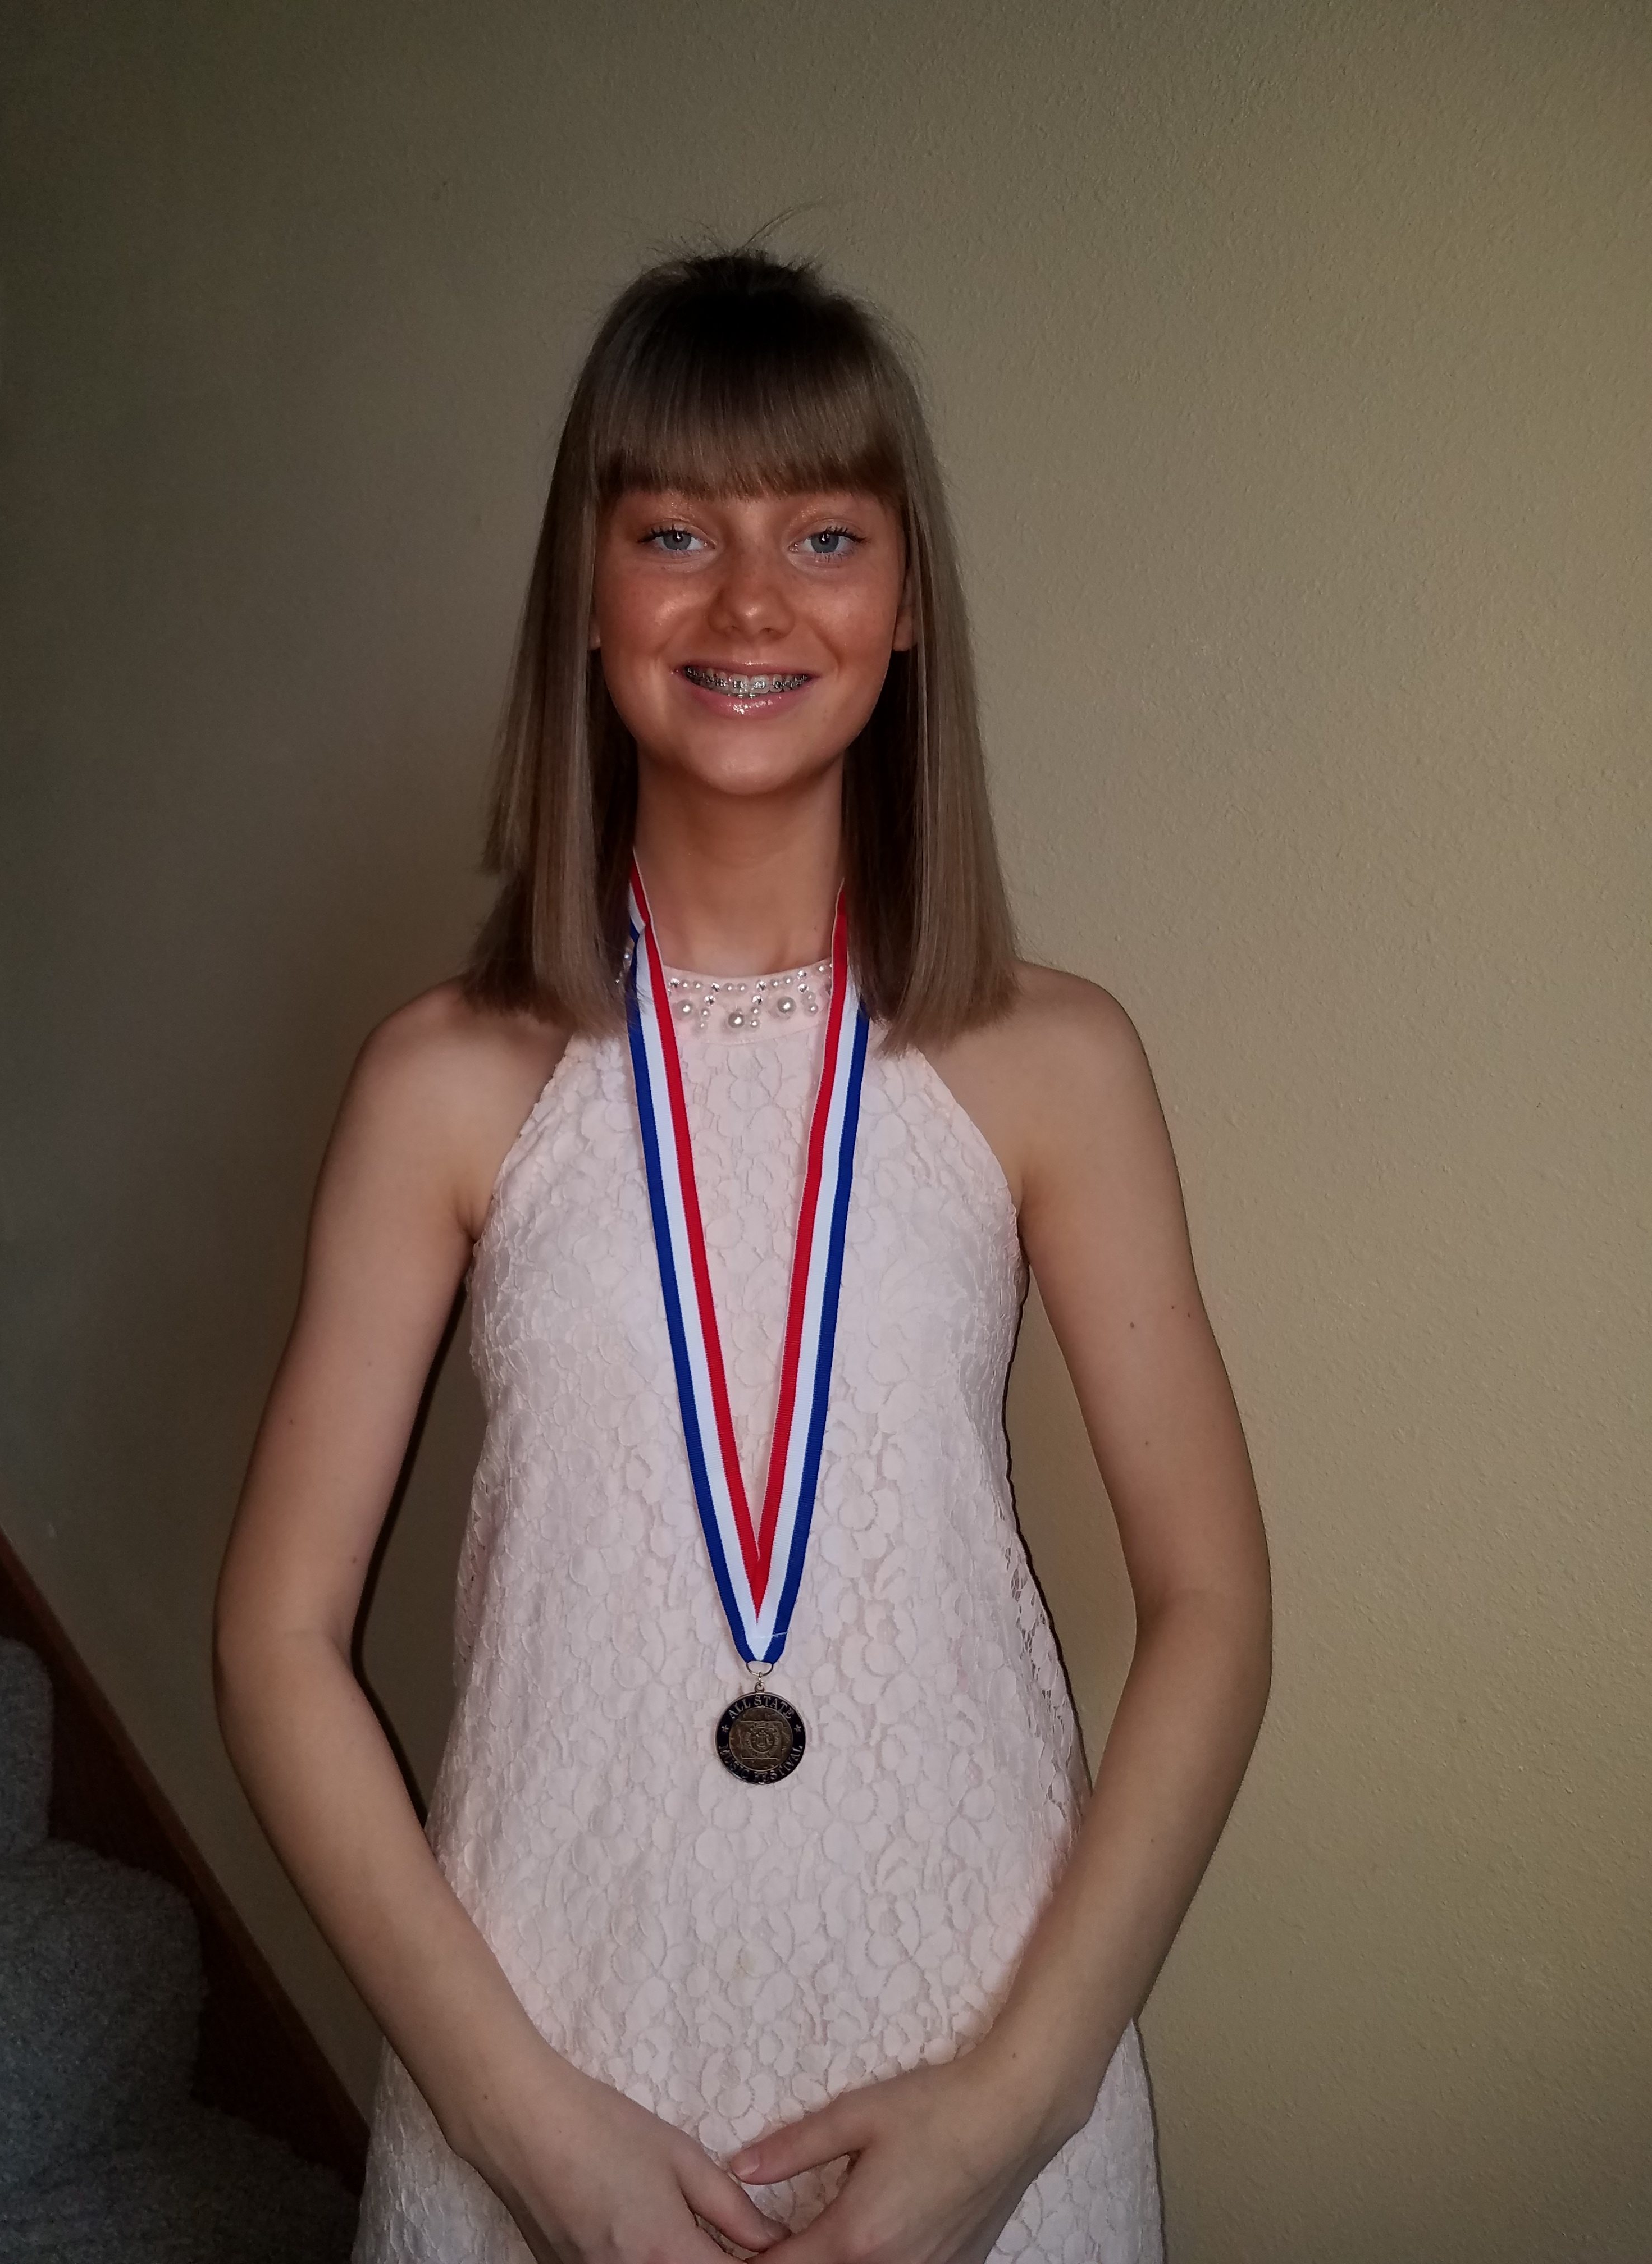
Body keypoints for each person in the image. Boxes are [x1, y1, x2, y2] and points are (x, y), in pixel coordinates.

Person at [215, 247, 1272, 2264]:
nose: (754, 603)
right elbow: (274, 1641)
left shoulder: (1052, 1061)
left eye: (828, 535)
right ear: (588, 591)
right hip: (546, 2071)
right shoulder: (445, 1083)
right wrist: (525, 2135)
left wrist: (1016, 2113)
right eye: (675, 533)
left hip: (976, 2072)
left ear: (908, 606)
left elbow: (1212, 1605)